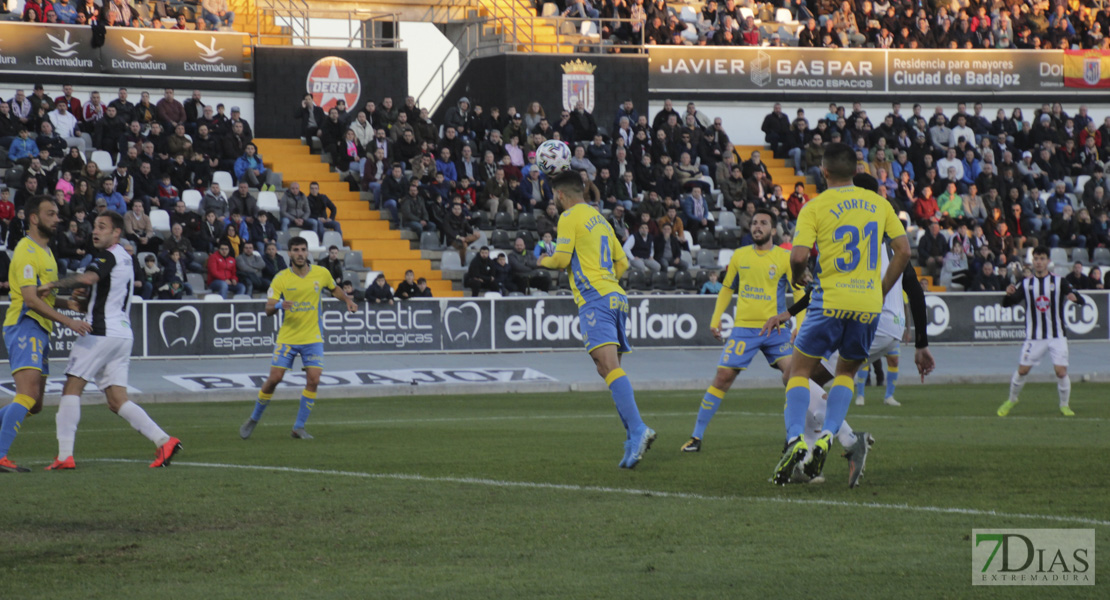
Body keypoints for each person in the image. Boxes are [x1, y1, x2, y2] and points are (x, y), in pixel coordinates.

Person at [771, 142, 911, 486]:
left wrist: (797, 275)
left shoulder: (815, 207)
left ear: (824, 171)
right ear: (856, 171)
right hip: (866, 305)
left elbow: (799, 255)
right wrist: (878, 290)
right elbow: (903, 251)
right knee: (846, 373)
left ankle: (794, 441)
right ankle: (829, 437)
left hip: (829, 301)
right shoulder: (880, 204)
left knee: (798, 372)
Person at [38, 211, 181, 471]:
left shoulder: (108, 255)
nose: (96, 231)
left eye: (102, 227)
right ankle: (164, 440)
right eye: (94, 226)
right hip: (122, 334)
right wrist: (83, 295)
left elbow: (89, 278)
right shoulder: (126, 257)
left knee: (72, 387)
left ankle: (64, 455)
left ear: (116, 233)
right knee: (117, 400)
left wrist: (51, 285)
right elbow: (96, 292)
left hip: (101, 332)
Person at [538, 171, 654, 469]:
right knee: (610, 372)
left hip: (595, 299)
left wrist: (542, 261)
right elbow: (623, 262)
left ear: (561, 195)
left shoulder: (569, 217)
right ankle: (631, 441)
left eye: (554, 195)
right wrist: (606, 282)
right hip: (616, 296)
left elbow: (561, 260)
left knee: (608, 368)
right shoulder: (600, 219)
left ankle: (639, 429)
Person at [679, 209, 797, 453]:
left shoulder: (785, 258)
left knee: (795, 376)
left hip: (776, 330)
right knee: (722, 378)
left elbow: (799, 293)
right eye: (754, 223)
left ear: (773, 230)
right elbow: (726, 289)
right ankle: (696, 437)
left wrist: (802, 326)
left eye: (763, 223)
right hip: (744, 328)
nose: (757, 227)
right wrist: (716, 319)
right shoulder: (740, 256)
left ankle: (793, 438)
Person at [0, 195, 93, 472]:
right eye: (50, 214)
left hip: (40, 328)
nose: (57, 218)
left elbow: (44, 297)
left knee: (35, 404)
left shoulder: (47, 252)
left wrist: (69, 303)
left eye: (56, 214)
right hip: (25, 324)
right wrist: (68, 320)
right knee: (26, 395)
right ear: (34, 218)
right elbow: (30, 299)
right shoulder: (26, 250)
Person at [240, 237, 357, 441]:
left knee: (314, 380)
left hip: (312, 337)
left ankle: (299, 427)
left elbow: (333, 288)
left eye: (303, 249)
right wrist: (278, 305)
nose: (300, 253)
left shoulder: (321, 273)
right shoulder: (281, 278)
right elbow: (268, 307)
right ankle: (254, 417)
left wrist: (347, 299)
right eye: (296, 250)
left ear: (307, 253)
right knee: (275, 379)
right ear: (290, 253)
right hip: (288, 338)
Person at [997, 246, 1084, 418]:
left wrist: (1076, 299)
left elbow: (1078, 297)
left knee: (1061, 371)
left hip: (1057, 335)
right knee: (1022, 371)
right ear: (1033, 261)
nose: (1039, 262)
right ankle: (1012, 400)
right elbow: (1008, 303)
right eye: (1036, 259)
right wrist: (1007, 295)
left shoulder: (1059, 281)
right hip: (1034, 337)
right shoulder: (1027, 283)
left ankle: (1064, 405)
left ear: (1048, 261)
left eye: (1042, 258)